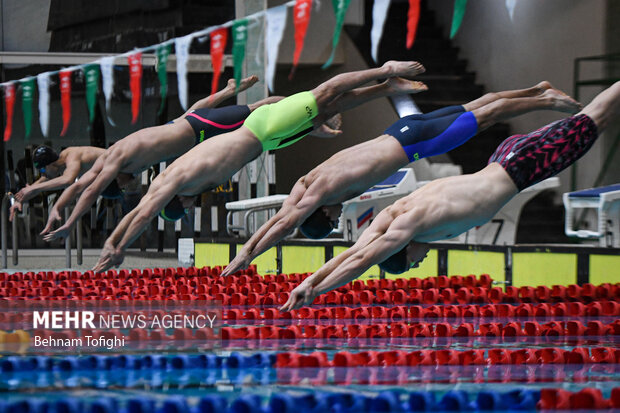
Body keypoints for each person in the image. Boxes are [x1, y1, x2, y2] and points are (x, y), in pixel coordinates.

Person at [279, 81, 620, 312]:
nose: (422, 260)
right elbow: (353, 251)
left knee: (596, 117)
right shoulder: (395, 214)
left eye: (415, 261)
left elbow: (360, 261)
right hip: (508, 159)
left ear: (402, 248)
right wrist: (310, 280)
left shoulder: (409, 225)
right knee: (594, 121)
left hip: (522, 165)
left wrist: (315, 291)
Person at [91, 60, 429, 272]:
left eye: (185, 209)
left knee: (325, 93)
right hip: (267, 141)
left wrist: (116, 246)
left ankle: (386, 71)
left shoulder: (171, 181)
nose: (192, 207)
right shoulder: (190, 186)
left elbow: (142, 214)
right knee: (325, 109)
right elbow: (143, 213)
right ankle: (386, 87)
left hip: (263, 130)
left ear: (178, 202)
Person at [222, 81, 581, 276]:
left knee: (487, 116)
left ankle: (544, 100)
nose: (336, 216)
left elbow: (285, 222)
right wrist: (250, 250)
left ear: (322, 213)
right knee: (478, 107)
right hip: (399, 129)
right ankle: (533, 90)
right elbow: (287, 212)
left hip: (416, 143)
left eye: (330, 220)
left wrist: (247, 255)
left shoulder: (323, 191)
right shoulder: (307, 181)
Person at [39, 75, 264, 238]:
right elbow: (79, 186)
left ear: (116, 180)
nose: (131, 185)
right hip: (184, 124)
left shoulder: (116, 162)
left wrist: (70, 223)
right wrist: (57, 208)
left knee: (258, 109)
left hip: (197, 128)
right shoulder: (107, 159)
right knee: (188, 116)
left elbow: (90, 190)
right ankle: (228, 90)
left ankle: (292, 100)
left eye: (124, 187)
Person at [8, 145, 132, 221]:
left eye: (42, 169)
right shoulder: (58, 165)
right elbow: (38, 186)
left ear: (51, 164)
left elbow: (68, 180)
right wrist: (20, 200)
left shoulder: (72, 156)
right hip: (113, 182)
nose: (42, 173)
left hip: (127, 176)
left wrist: (34, 188)